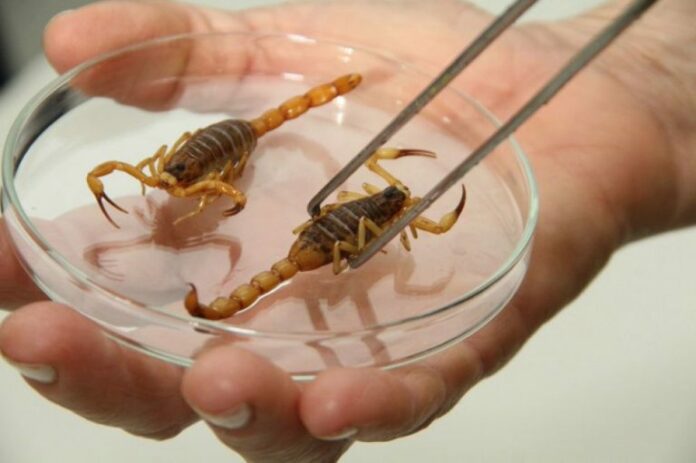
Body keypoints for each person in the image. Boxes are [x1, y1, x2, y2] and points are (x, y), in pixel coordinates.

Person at [0, 0, 694, 461]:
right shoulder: (382, 206)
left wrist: (663, 74)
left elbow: (378, 232)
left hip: (312, 234)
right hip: (303, 223)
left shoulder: (377, 204)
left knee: (314, 277)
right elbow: (383, 224)